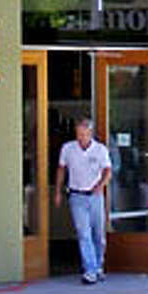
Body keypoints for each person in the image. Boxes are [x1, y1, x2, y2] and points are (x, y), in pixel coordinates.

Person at [53, 117, 112, 285]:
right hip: (77, 196)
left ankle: (98, 266)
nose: (81, 138)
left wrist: (101, 185)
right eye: (79, 134)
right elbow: (61, 169)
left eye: (85, 134)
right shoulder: (68, 149)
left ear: (90, 134)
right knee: (83, 234)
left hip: (95, 196)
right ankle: (90, 270)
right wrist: (58, 191)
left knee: (98, 235)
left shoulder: (100, 150)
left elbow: (108, 171)